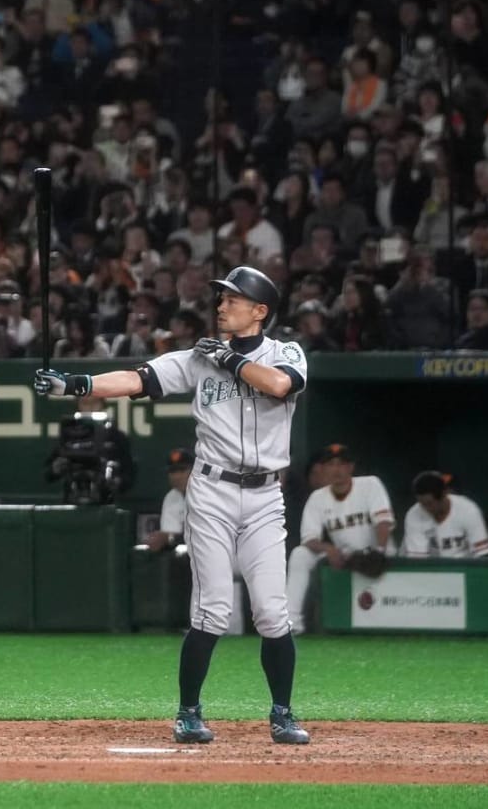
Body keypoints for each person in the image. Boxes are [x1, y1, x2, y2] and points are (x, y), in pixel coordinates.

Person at [34, 264, 309, 745]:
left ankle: (282, 714)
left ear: (260, 311)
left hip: (266, 495)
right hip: (213, 492)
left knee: (271, 611)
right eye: (221, 297)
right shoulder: (199, 357)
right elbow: (136, 378)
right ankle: (188, 712)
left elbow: (280, 385)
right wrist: (75, 385)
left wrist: (227, 360)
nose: (221, 304)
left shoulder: (285, 352)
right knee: (214, 609)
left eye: (232, 298)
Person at [285, 444, 394, 635]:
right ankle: (291, 622)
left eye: (341, 464)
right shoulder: (318, 497)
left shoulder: (370, 484)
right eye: (330, 465)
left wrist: (380, 550)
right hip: (348, 555)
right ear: (323, 469)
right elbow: (309, 538)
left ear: (350, 467)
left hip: (379, 554)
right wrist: (328, 548)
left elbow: (383, 522)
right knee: (300, 554)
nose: (336, 470)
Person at [400, 471, 488, 559]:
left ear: (444, 494)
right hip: (431, 568)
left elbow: (482, 554)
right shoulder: (414, 514)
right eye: (421, 503)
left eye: (429, 504)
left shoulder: (468, 510)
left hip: (462, 567)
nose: (425, 508)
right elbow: (417, 559)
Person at [146, 448, 193, 551]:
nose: (177, 476)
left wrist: (170, 538)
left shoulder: (209, 496)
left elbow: (206, 538)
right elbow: (170, 534)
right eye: (173, 471)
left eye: (182, 470)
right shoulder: (171, 497)